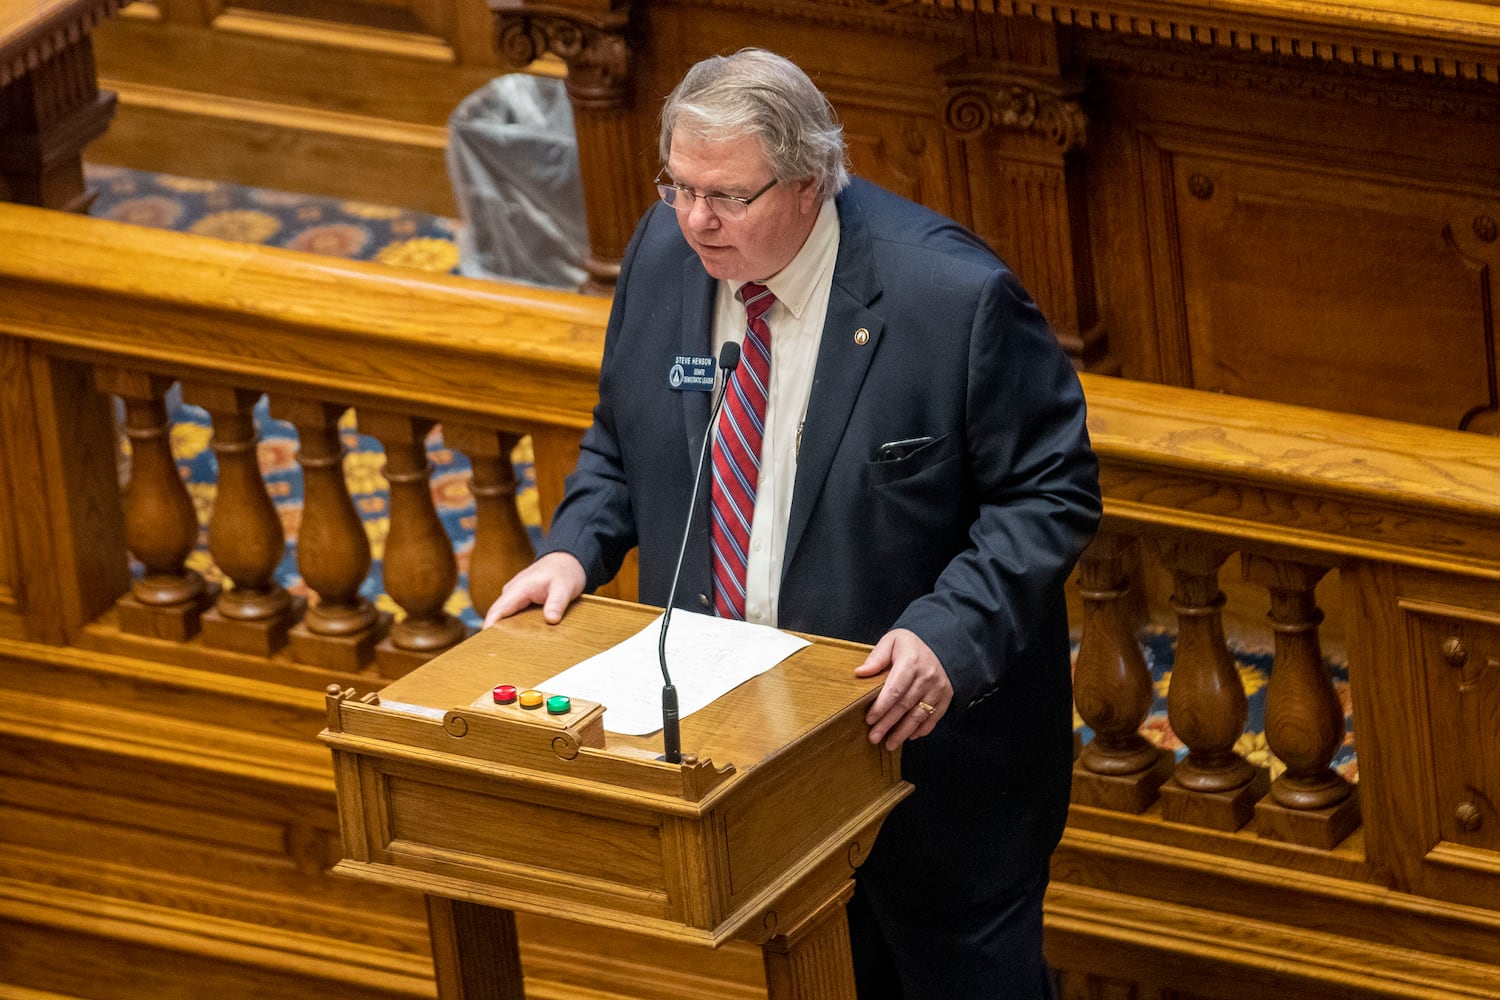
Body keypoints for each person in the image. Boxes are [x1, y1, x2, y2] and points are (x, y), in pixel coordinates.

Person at [484, 47, 1101, 1000]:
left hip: (926, 760)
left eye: (727, 196)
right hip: (752, 751)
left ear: (811, 181)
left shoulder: (951, 300)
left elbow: (1049, 492)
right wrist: (576, 546)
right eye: (679, 186)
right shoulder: (665, 255)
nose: (696, 220)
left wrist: (949, 635)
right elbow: (622, 435)